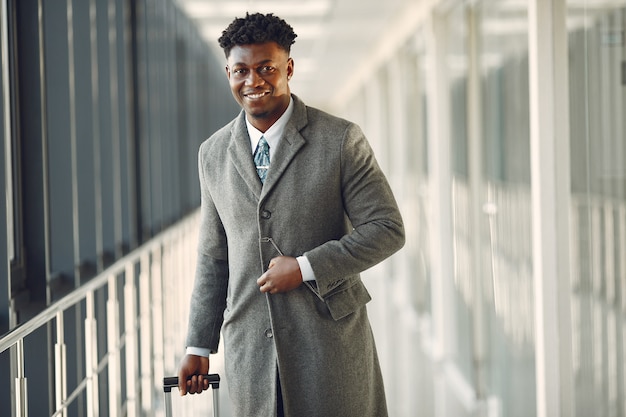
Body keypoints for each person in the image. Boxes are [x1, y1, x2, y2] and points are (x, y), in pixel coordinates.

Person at [177, 12, 405, 417]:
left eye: (267, 68)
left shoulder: (339, 140)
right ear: (228, 71)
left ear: (289, 68)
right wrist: (198, 345)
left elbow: (387, 229)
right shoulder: (212, 153)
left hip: (328, 347)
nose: (254, 82)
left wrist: (304, 267)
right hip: (251, 353)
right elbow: (214, 256)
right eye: (241, 70)